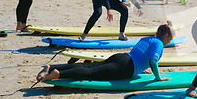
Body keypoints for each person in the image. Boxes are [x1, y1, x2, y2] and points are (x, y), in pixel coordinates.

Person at [37, 24, 174, 82]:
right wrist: (158, 77)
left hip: (123, 57)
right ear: (166, 35)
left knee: (88, 67)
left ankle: (52, 68)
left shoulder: (147, 38)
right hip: (126, 67)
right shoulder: (159, 43)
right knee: (92, 74)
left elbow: (139, 54)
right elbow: (153, 61)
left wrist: (141, 69)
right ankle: (59, 74)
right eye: (170, 39)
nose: (169, 41)